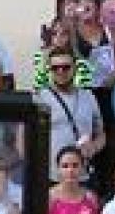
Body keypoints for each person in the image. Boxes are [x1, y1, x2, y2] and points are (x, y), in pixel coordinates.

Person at [37, 49, 104, 179]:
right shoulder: (40, 98)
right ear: (49, 70)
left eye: (66, 67)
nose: (60, 71)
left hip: (82, 175)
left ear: (75, 68)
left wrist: (94, 147)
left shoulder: (89, 96)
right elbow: (23, 136)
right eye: (55, 68)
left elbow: (101, 133)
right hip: (50, 176)